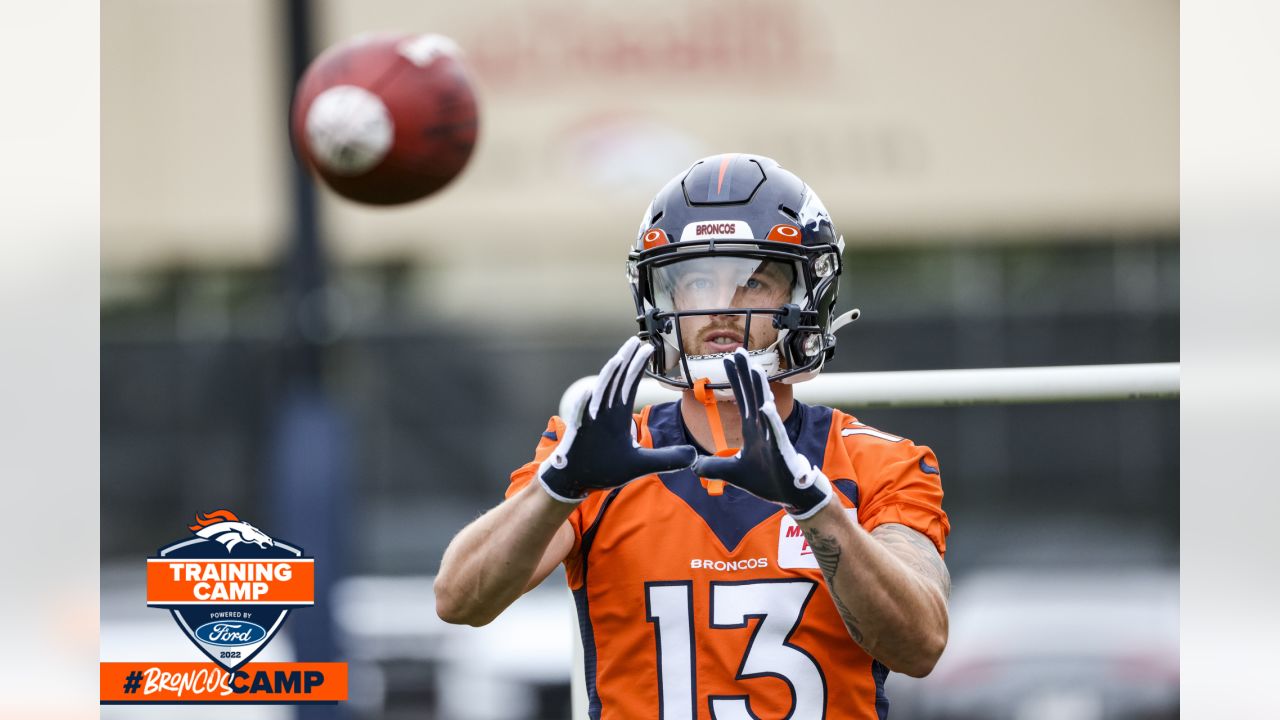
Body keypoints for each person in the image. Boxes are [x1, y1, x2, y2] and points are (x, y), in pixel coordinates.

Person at [434, 153, 951, 719]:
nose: (721, 308)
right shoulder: (600, 453)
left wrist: (816, 508)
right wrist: (559, 486)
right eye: (698, 280)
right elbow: (460, 599)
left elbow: (921, 643)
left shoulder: (878, 463)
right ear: (663, 301)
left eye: (753, 282)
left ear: (806, 298)